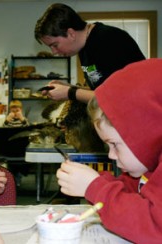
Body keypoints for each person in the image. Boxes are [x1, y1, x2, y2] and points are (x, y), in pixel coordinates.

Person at [56, 58, 162, 243]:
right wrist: (96, 182)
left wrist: (95, 187)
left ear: (146, 132)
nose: (111, 155)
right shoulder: (149, 167)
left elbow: (155, 225)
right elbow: (134, 192)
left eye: (114, 144)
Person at [35, 3, 146, 103]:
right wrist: (69, 88)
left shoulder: (108, 40)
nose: (54, 52)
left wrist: (70, 93)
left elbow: (115, 99)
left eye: (54, 45)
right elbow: (100, 91)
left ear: (71, 34)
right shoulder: (84, 47)